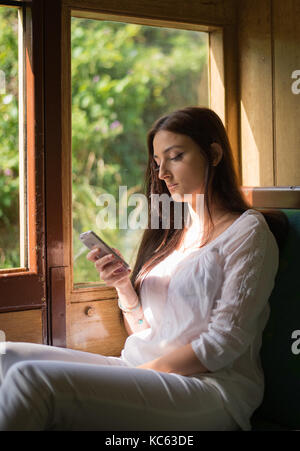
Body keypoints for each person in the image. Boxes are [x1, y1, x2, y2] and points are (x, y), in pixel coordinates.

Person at [0, 107, 287, 431]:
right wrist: (124, 286)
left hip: (210, 390)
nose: (162, 172)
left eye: (175, 156)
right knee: (5, 357)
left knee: (30, 379)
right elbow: (145, 332)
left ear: (214, 154)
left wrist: (140, 374)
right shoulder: (172, 233)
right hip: (141, 368)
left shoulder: (248, 232)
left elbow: (222, 344)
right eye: (157, 162)